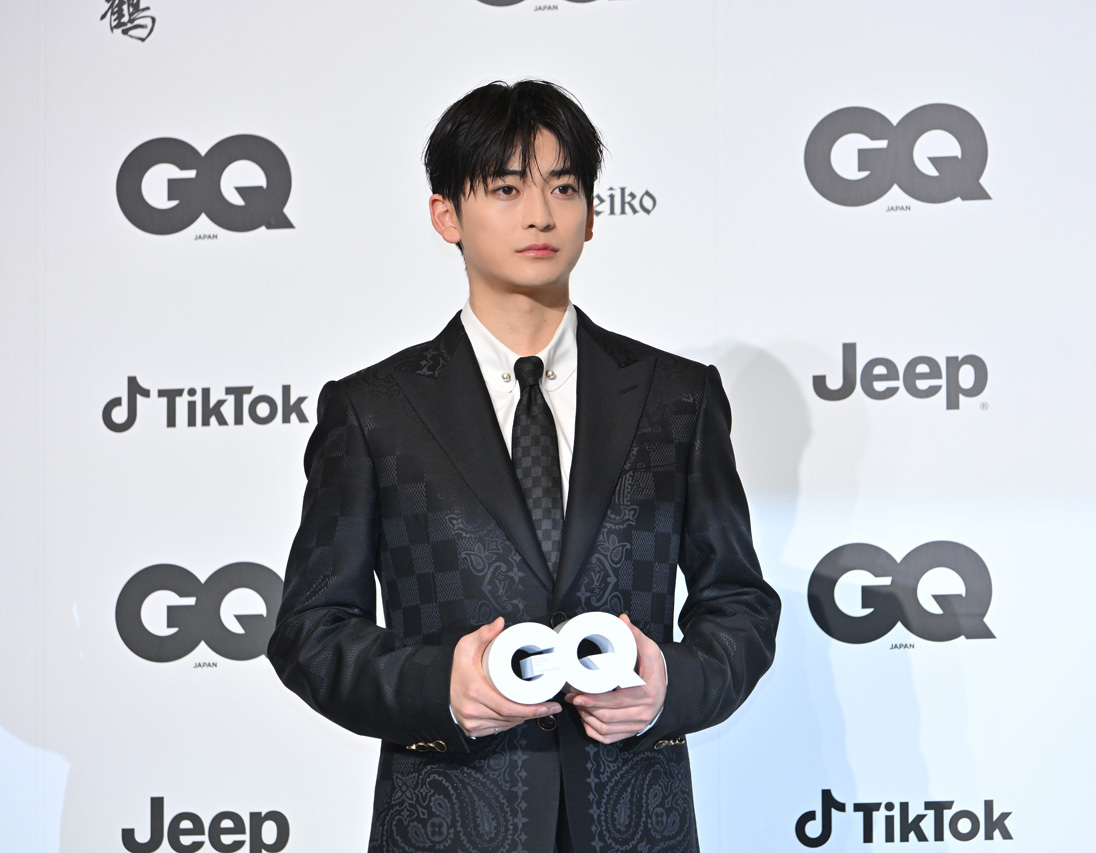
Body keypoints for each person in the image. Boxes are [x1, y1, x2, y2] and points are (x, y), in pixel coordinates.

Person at [267, 79, 780, 853]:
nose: (540, 214)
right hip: (449, 824)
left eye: (563, 188)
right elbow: (311, 630)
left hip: (636, 823)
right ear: (447, 214)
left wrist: (668, 685)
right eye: (506, 189)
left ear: (592, 214)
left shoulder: (679, 398)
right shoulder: (375, 410)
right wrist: (440, 686)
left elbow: (739, 603)